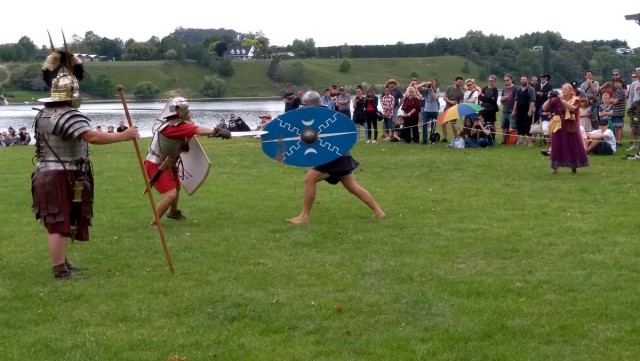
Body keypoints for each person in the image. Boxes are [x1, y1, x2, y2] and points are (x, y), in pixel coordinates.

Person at [32, 50, 140, 279]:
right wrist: (125, 135)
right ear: (72, 93)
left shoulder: (45, 113)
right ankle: (60, 270)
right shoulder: (67, 114)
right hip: (59, 174)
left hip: (53, 172)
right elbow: (92, 137)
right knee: (59, 222)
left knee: (62, 219)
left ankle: (63, 262)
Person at [286, 91, 385, 224]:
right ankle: (378, 212)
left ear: (310, 105)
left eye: (304, 105)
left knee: (309, 179)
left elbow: (331, 139)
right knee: (352, 186)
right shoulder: (317, 117)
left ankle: (304, 217)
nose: (302, 107)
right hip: (339, 156)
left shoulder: (325, 118)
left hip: (336, 156)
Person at [144, 97, 231, 228]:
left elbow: (190, 128)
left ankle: (173, 212)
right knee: (171, 194)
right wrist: (216, 131)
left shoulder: (167, 122)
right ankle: (154, 222)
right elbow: (196, 130)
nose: (187, 112)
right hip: (156, 163)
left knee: (176, 188)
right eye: (184, 109)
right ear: (175, 111)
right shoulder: (174, 127)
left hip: (168, 161)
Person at [542, 83, 589, 175]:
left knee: (572, 145)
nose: (563, 91)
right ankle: (554, 167)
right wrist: (549, 98)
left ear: (571, 91)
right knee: (556, 144)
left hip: (570, 124)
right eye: (562, 89)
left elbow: (572, 109)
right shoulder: (556, 100)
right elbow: (544, 108)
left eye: (566, 89)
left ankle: (573, 165)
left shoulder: (575, 99)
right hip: (558, 124)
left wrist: (563, 100)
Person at [512, 74, 536, 146]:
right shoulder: (518, 89)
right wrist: (514, 110)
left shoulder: (530, 89)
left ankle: (530, 142)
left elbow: (533, 101)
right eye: (522, 80)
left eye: (524, 80)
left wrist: (530, 111)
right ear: (520, 80)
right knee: (520, 126)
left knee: (527, 126)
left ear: (527, 80)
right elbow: (516, 100)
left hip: (527, 111)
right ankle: (524, 142)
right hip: (519, 111)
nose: (523, 81)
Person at [442, 76, 465, 143]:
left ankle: (456, 138)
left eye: (461, 82)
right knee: (443, 124)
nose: (460, 83)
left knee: (453, 125)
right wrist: (450, 101)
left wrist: (456, 104)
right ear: (455, 81)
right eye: (459, 82)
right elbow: (444, 97)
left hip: (454, 110)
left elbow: (460, 103)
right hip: (447, 108)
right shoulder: (449, 88)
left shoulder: (461, 92)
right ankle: (445, 138)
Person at [417, 79, 440, 144]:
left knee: (433, 126)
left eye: (433, 84)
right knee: (424, 125)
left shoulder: (437, 90)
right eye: (431, 84)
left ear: (435, 84)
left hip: (434, 110)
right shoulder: (425, 90)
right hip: (426, 110)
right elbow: (417, 87)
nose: (431, 85)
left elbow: (435, 98)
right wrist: (425, 83)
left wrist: (431, 90)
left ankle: (432, 139)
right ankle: (424, 140)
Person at [500, 74, 518, 144]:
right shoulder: (504, 89)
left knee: (514, 126)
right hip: (505, 110)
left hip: (512, 111)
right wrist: (502, 99)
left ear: (511, 80)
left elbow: (517, 100)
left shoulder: (515, 88)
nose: (506, 81)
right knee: (504, 126)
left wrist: (514, 110)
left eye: (508, 80)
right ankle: (503, 140)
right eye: (505, 80)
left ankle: (517, 140)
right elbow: (501, 102)